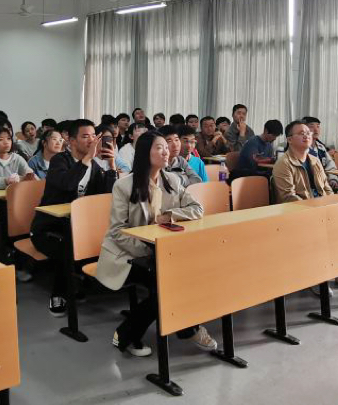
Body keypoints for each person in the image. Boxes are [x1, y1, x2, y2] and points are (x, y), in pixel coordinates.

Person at [95, 132, 217, 356]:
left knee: (185, 274)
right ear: (145, 153)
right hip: (128, 253)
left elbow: (197, 209)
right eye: (160, 147)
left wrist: (169, 216)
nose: (166, 152)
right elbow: (117, 232)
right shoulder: (124, 185)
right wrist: (150, 252)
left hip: (163, 251)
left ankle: (132, 331)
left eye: (166, 148)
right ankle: (181, 329)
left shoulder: (172, 180)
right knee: (165, 283)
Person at [31, 119, 117, 315]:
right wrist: (87, 159)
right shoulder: (59, 161)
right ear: (71, 140)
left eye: (93, 136)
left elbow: (107, 195)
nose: (91, 140)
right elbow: (67, 183)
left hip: (76, 227)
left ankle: (82, 281)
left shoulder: (94, 166)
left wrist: (111, 166)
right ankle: (58, 294)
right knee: (68, 247)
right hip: (48, 229)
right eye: (85, 136)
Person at [272, 120, 338, 289]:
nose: (307, 135)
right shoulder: (283, 164)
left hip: (320, 209)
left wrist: (333, 207)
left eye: (308, 132)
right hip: (297, 214)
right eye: (301, 133)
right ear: (289, 139)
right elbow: (288, 198)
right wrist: (316, 211)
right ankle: (314, 278)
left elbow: (327, 189)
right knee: (318, 231)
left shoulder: (315, 161)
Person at [303, 116, 338, 190]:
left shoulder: (321, 147)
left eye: (318, 126)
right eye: (311, 126)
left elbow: (330, 165)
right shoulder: (301, 148)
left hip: (324, 185)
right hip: (308, 187)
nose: (316, 130)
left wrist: (333, 179)